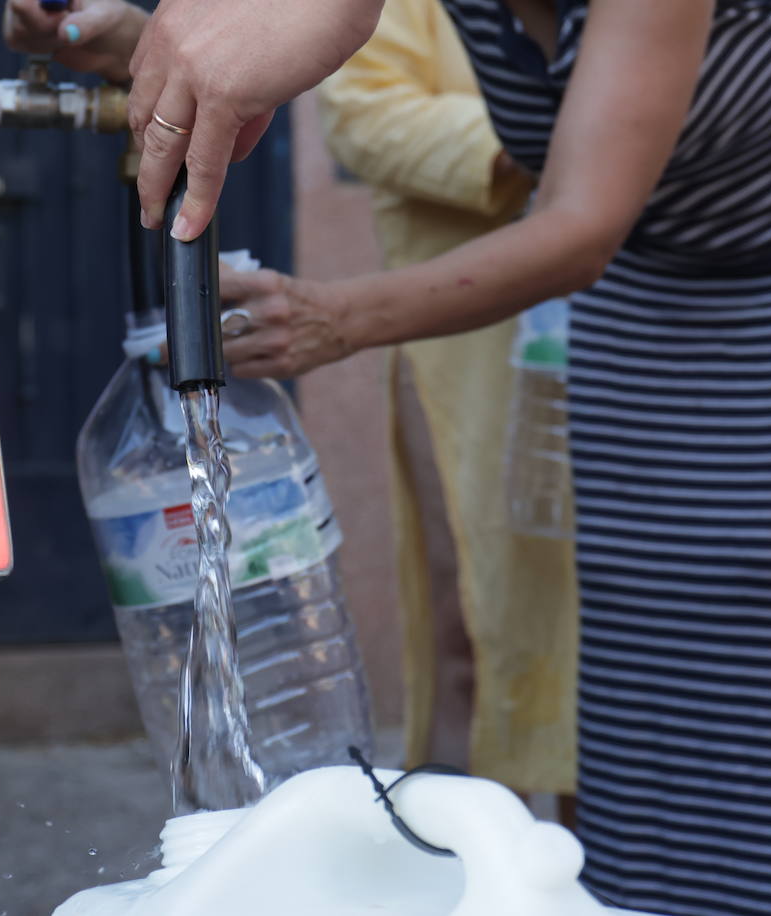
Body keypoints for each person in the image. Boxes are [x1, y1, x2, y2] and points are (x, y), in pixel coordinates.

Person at [25, 1, 771, 913]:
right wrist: (156, 47)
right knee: (647, 642)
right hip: (659, 281)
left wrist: (335, 318)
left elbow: (582, 224)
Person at [315, 0, 578, 798]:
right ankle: (473, 840)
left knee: (629, 607)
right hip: (469, 338)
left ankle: (612, 845)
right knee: (472, 598)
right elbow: (363, 110)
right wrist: (576, 146)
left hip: (639, 320)